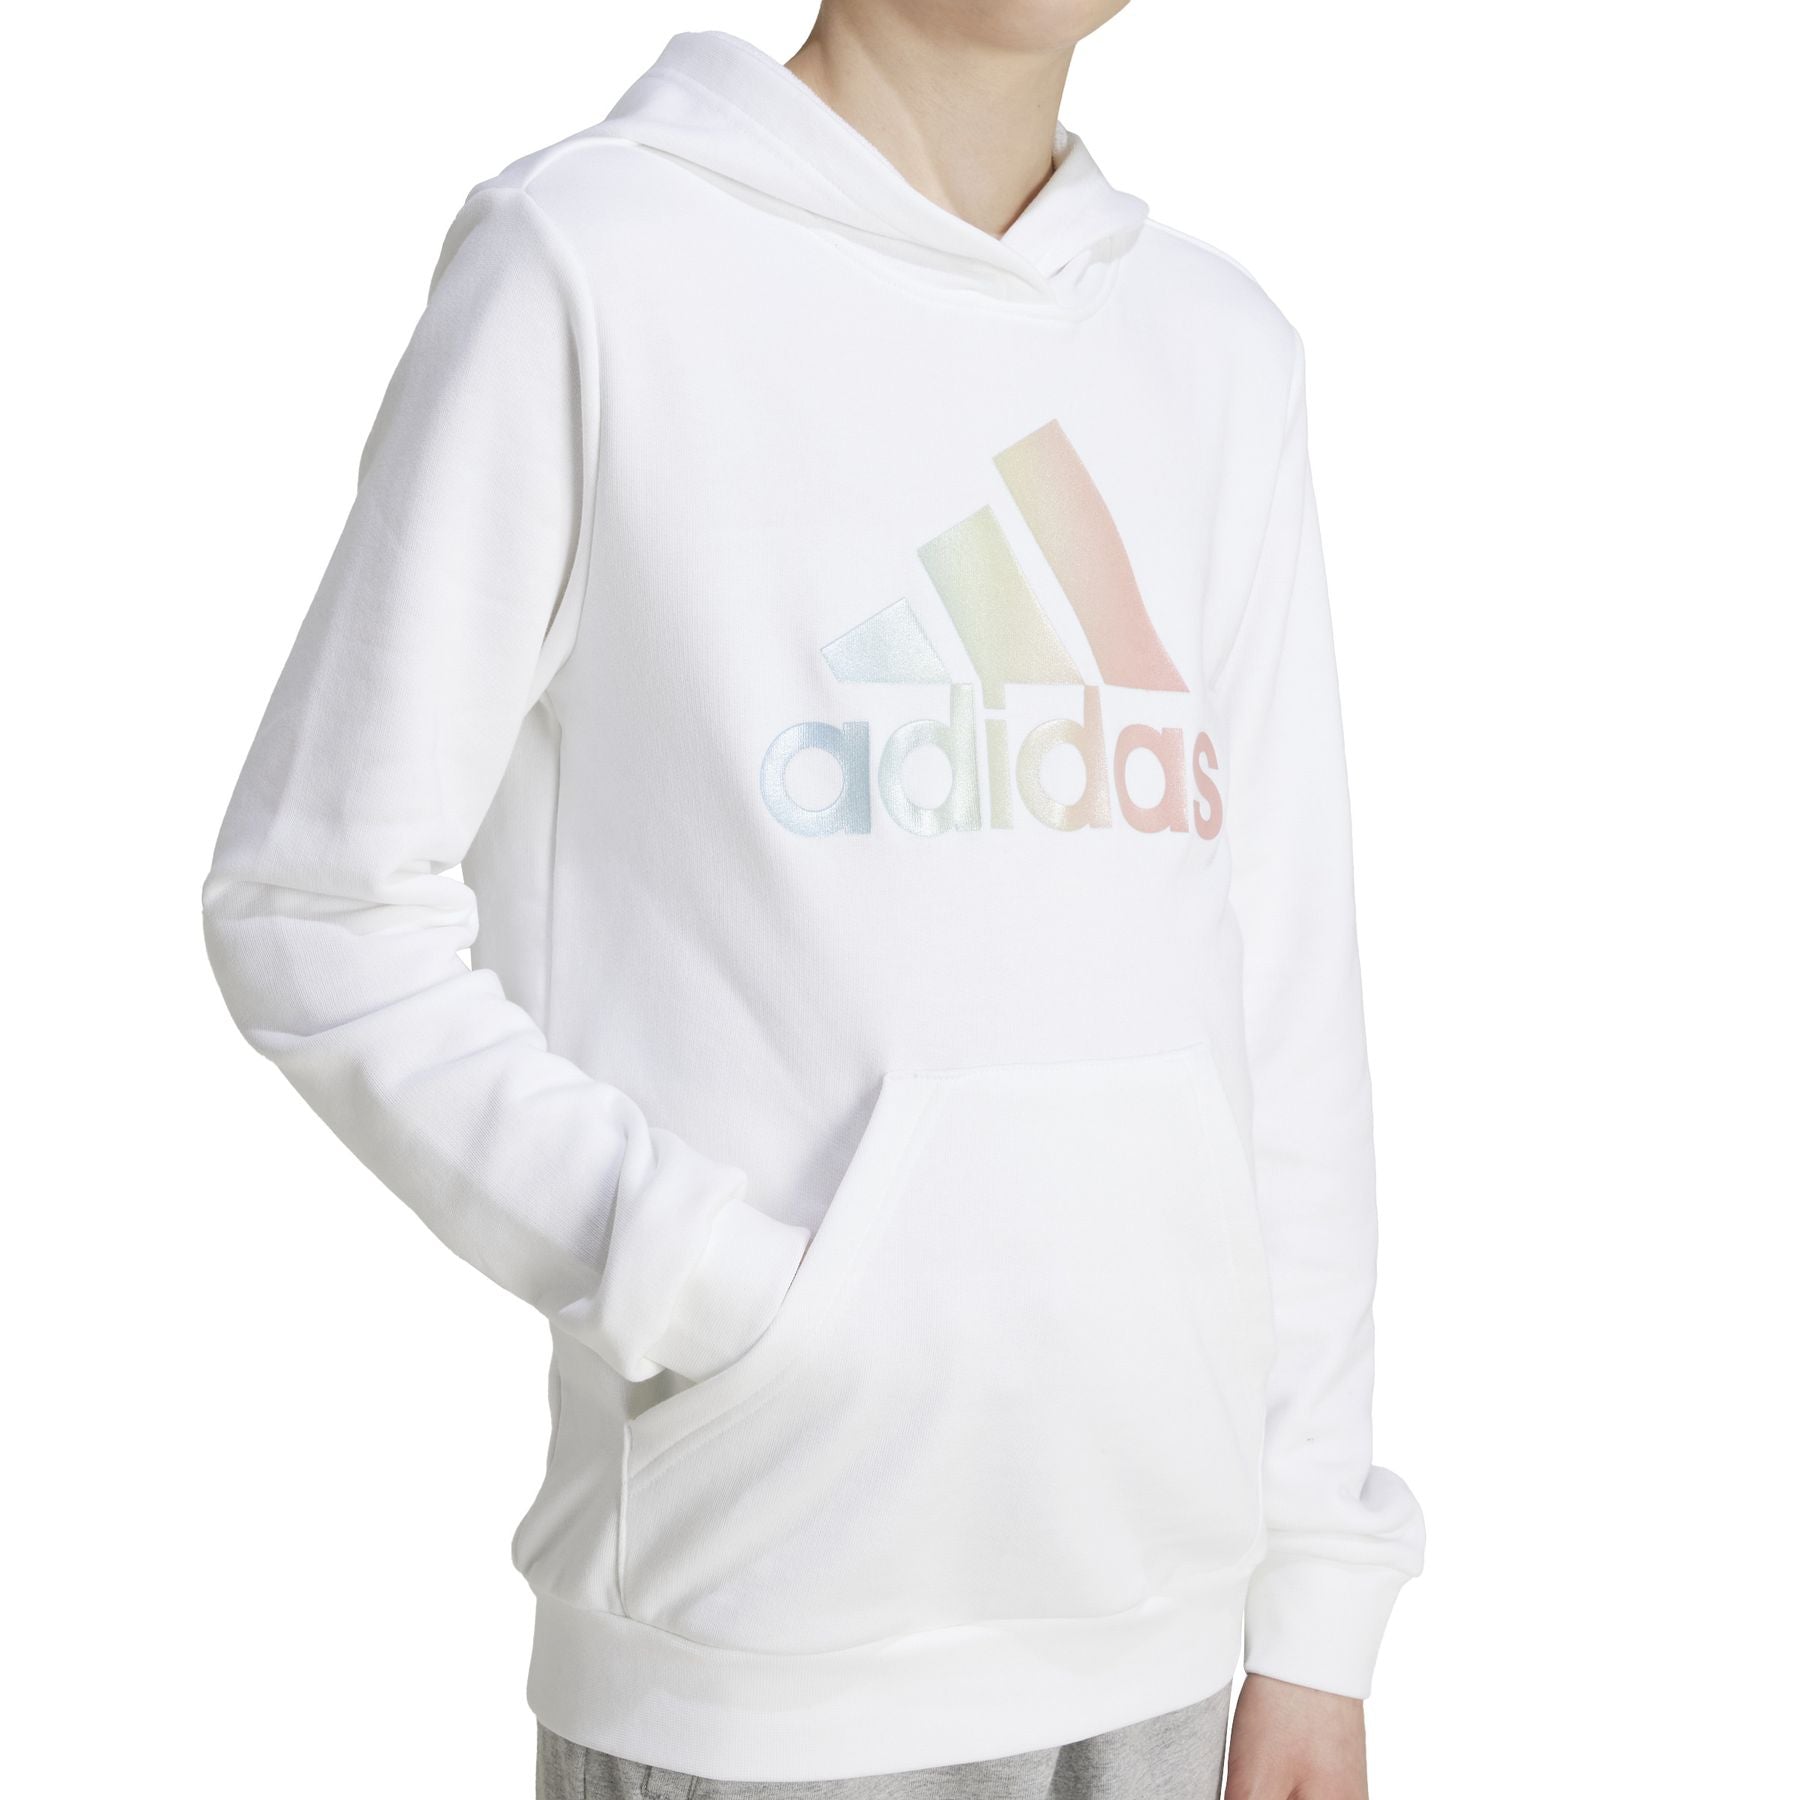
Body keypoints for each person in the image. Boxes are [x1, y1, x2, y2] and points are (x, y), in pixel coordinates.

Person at [201, 5, 1425, 1796]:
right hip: (764, 1646)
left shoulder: (1216, 353)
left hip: (1164, 1634)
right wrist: (706, 1284)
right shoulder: (596, 264)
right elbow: (314, 905)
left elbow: (1286, 993)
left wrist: (1317, 1595)